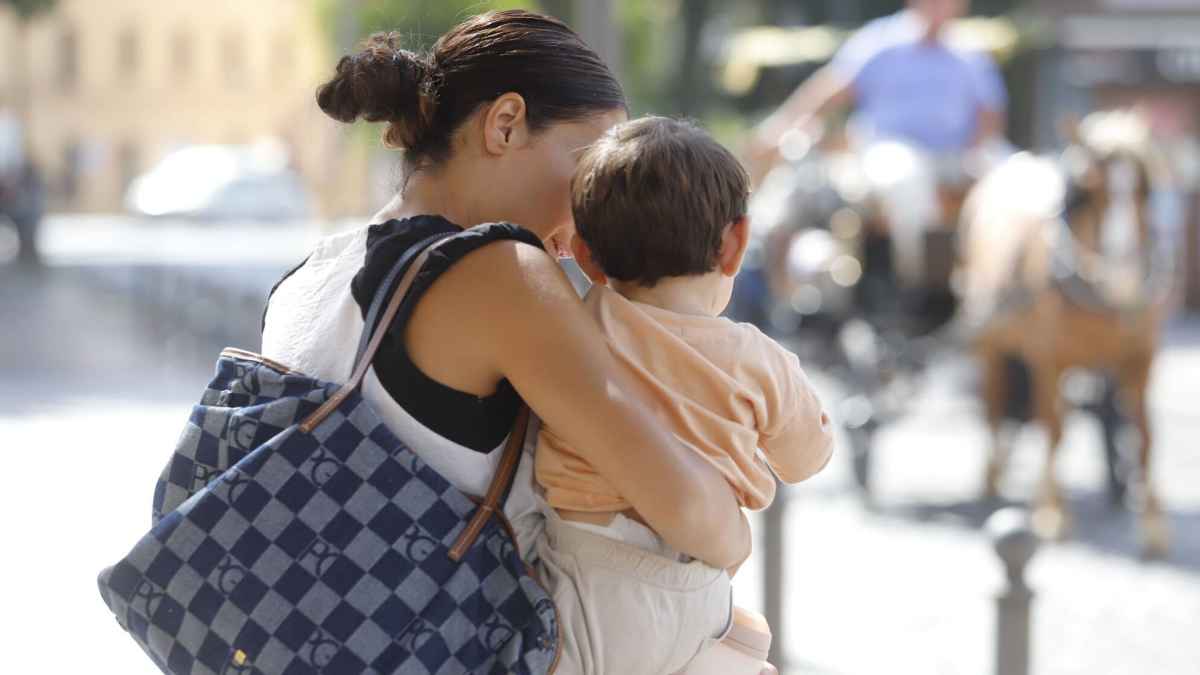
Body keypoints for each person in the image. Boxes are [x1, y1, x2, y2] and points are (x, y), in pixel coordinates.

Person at [259, 9, 758, 671]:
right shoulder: (503, 271)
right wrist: (738, 529)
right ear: (504, 124)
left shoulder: (308, 275)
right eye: (590, 171)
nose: (595, 214)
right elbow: (692, 511)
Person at [532, 116, 834, 675]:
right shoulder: (756, 360)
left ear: (586, 256)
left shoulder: (577, 327)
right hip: (694, 587)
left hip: (580, 573)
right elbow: (807, 458)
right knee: (744, 648)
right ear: (736, 244)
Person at [747, 0, 1008, 180]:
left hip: (955, 157)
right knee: (902, 177)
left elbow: (990, 117)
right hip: (889, 153)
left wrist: (976, 154)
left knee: (1012, 174)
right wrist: (780, 127)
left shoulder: (972, 56)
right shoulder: (879, 43)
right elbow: (827, 92)